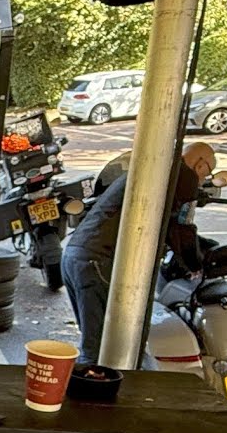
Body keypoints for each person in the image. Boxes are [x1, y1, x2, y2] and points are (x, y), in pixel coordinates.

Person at [62, 142, 214, 366]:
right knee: (101, 350)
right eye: (207, 173)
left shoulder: (155, 168)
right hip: (100, 260)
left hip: (76, 255)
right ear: (200, 164)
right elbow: (181, 228)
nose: (203, 180)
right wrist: (195, 264)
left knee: (98, 344)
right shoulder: (184, 175)